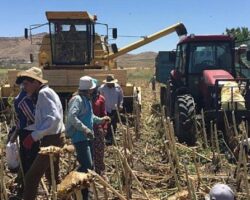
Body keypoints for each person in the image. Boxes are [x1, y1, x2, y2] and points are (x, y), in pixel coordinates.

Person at [15, 67, 65, 200]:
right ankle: (62, 196)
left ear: (36, 82)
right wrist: (28, 130)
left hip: (51, 140)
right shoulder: (47, 92)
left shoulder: (44, 94)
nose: (24, 87)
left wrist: (33, 136)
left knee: (32, 177)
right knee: (52, 175)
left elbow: (53, 119)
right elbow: (46, 120)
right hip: (56, 137)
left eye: (26, 83)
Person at [66, 76, 110, 199]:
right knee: (87, 164)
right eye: (92, 89)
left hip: (87, 136)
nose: (94, 91)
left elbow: (91, 117)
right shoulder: (77, 100)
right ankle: (72, 183)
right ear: (88, 90)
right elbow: (72, 117)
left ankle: (84, 192)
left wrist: (101, 120)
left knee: (88, 165)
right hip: (80, 137)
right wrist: (84, 129)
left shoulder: (86, 99)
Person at [11, 88, 39, 196]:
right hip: (28, 132)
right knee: (29, 160)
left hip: (25, 131)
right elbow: (33, 118)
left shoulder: (23, 98)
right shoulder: (24, 99)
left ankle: (25, 185)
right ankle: (27, 187)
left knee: (26, 159)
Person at [99, 74, 124, 145]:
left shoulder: (118, 88)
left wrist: (120, 105)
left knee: (114, 123)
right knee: (106, 123)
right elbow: (100, 98)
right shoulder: (102, 88)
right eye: (108, 83)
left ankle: (112, 137)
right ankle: (106, 138)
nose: (110, 85)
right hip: (106, 109)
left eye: (111, 83)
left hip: (114, 109)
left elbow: (121, 97)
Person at [91, 78, 108, 176]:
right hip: (86, 129)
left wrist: (105, 127)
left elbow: (103, 114)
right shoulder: (83, 98)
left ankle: (99, 172)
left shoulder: (101, 99)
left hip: (97, 128)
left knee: (99, 151)